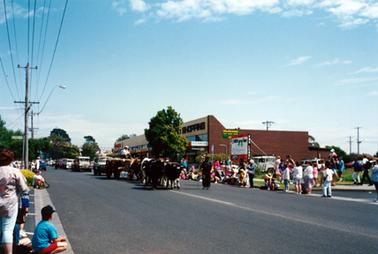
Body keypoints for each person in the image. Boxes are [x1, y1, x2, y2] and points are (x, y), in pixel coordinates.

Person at [0, 149, 29, 254]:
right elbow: (24, 188)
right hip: (9, 204)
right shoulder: (14, 171)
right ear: (11, 159)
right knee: (7, 229)